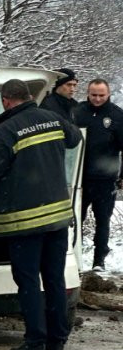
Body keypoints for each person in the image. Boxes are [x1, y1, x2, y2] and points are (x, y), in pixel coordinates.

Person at [0, 79, 81, 350]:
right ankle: (57, 342)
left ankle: (34, 343)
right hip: (57, 217)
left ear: (5, 101)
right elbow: (75, 138)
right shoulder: (51, 119)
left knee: (28, 282)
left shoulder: (5, 130)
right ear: (28, 96)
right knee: (54, 279)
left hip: (25, 223)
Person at [74, 77, 123, 269]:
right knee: (76, 218)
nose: (97, 99)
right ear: (88, 93)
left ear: (108, 94)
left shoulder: (117, 116)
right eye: (93, 95)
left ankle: (99, 260)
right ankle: (74, 255)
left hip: (105, 178)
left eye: (101, 95)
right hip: (79, 178)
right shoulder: (77, 112)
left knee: (103, 220)